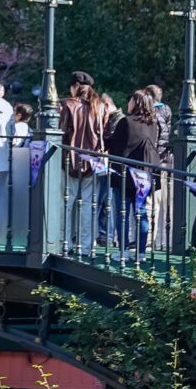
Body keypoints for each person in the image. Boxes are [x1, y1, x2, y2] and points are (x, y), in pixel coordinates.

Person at [108, 89, 168, 258]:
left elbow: (115, 147)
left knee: (122, 213)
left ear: (136, 103)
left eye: (131, 100)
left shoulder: (125, 122)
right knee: (141, 213)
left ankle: (123, 251)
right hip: (144, 176)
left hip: (124, 174)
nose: (128, 103)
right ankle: (141, 252)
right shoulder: (153, 124)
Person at [60, 73, 110, 253]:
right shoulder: (101, 106)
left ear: (74, 86)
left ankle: (64, 242)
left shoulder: (67, 105)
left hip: (70, 160)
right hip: (93, 161)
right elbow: (104, 134)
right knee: (89, 204)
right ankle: (86, 246)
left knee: (67, 203)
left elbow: (61, 131)